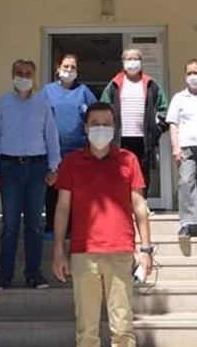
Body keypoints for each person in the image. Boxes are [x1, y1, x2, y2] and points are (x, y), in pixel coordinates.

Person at [52, 102, 153, 347]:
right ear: (86, 128)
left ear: (114, 127)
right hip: (84, 254)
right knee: (86, 330)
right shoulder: (71, 163)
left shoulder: (128, 160)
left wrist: (146, 249)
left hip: (121, 252)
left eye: (106, 124)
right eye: (95, 123)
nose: (101, 128)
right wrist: (58, 250)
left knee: (123, 329)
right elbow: (63, 208)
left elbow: (139, 206)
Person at [0, 58, 61, 290]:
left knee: (34, 224)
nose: (24, 77)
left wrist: (54, 167)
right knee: (10, 225)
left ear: (34, 77)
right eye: (19, 73)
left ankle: (33, 273)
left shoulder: (43, 104)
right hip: (9, 168)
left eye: (28, 73)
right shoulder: (1, 104)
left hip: (37, 168)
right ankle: (4, 274)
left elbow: (51, 137)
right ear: (13, 75)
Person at [41, 53, 97, 241]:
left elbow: (95, 116)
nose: (69, 70)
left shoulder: (83, 91)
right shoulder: (47, 91)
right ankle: (51, 227)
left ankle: (75, 228)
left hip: (78, 150)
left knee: (77, 192)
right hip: (53, 150)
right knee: (53, 190)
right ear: (58, 68)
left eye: (73, 67)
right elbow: (39, 118)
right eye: (66, 66)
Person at [100, 48, 168, 198]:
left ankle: (141, 203)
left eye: (135, 59)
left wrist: (156, 130)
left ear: (141, 62)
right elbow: (103, 108)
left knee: (142, 173)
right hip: (120, 139)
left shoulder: (151, 84)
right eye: (129, 59)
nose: (132, 62)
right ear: (123, 62)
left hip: (144, 139)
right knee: (120, 172)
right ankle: (123, 203)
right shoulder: (114, 85)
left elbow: (164, 109)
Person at [166, 59, 197, 239]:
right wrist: (175, 147)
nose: (193, 76)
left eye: (196, 73)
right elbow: (173, 124)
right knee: (186, 182)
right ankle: (187, 223)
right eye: (189, 73)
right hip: (186, 146)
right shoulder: (179, 98)